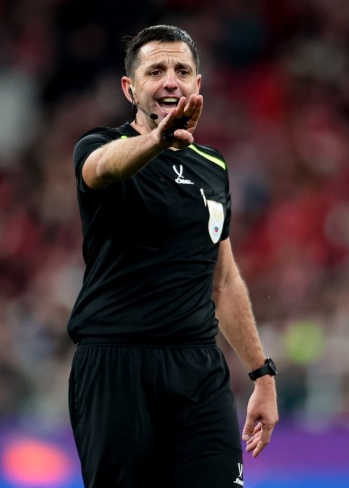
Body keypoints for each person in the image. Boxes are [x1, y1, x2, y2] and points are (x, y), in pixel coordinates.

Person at [67, 25, 278, 488]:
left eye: (182, 71)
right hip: (117, 366)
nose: (170, 81)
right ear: (130, 88)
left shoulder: (214, 167)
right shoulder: (99, 147)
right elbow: (101, 169)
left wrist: (262, 375)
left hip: (197, 369)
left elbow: (224, 280)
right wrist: (158, 140)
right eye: (155, 71)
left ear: (197, 85)